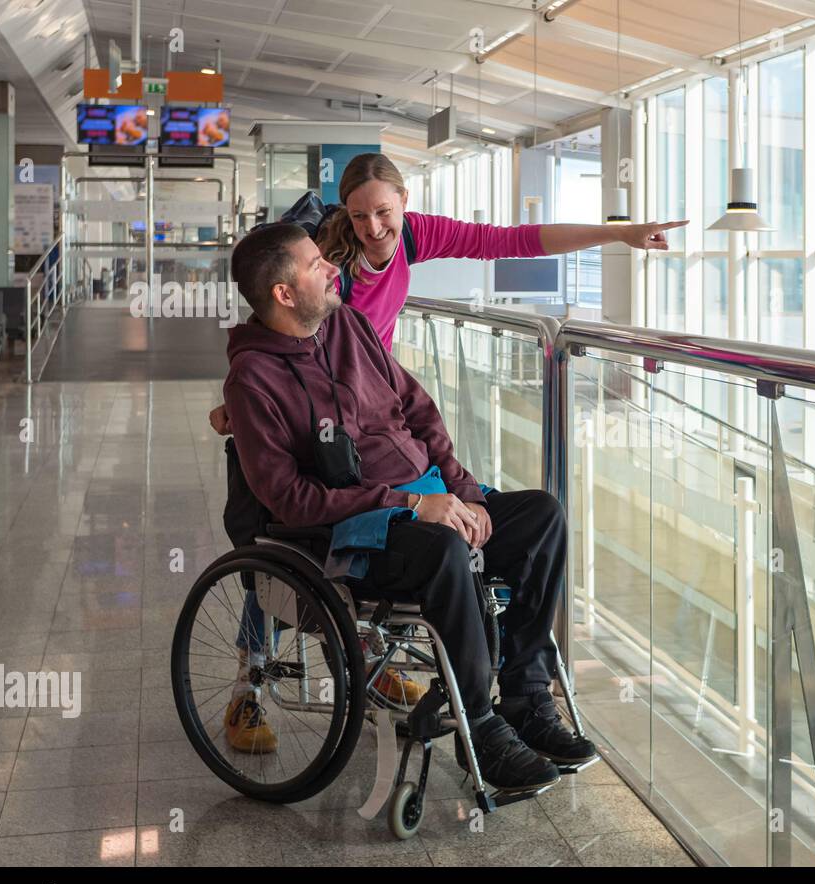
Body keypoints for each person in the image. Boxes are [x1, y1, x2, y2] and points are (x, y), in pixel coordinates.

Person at [213, 152, 683, 713]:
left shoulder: (410, 239)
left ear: (404, 204)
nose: (372, 228)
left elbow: (515, 241)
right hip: (327, 431)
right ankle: (252, 679)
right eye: (359, 216)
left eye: (384, 212)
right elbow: (275, 324)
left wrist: (623, 233)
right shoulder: (328, 263)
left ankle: (514, 693)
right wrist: (238, 401)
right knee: (295, 543)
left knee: (525, 515)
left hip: (378, 411)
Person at [223, 222, 594, 791]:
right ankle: (483, 729)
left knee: (542, 516)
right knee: (443, 548)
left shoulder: (348, 325)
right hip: (355, 531)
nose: (331, 267)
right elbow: (288, 499)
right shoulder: (253, 379)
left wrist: (462, 489)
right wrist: (411, 505)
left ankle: (524, 695)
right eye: (315, 263)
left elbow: (419, 412)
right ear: (283, 293)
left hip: (431, 498)